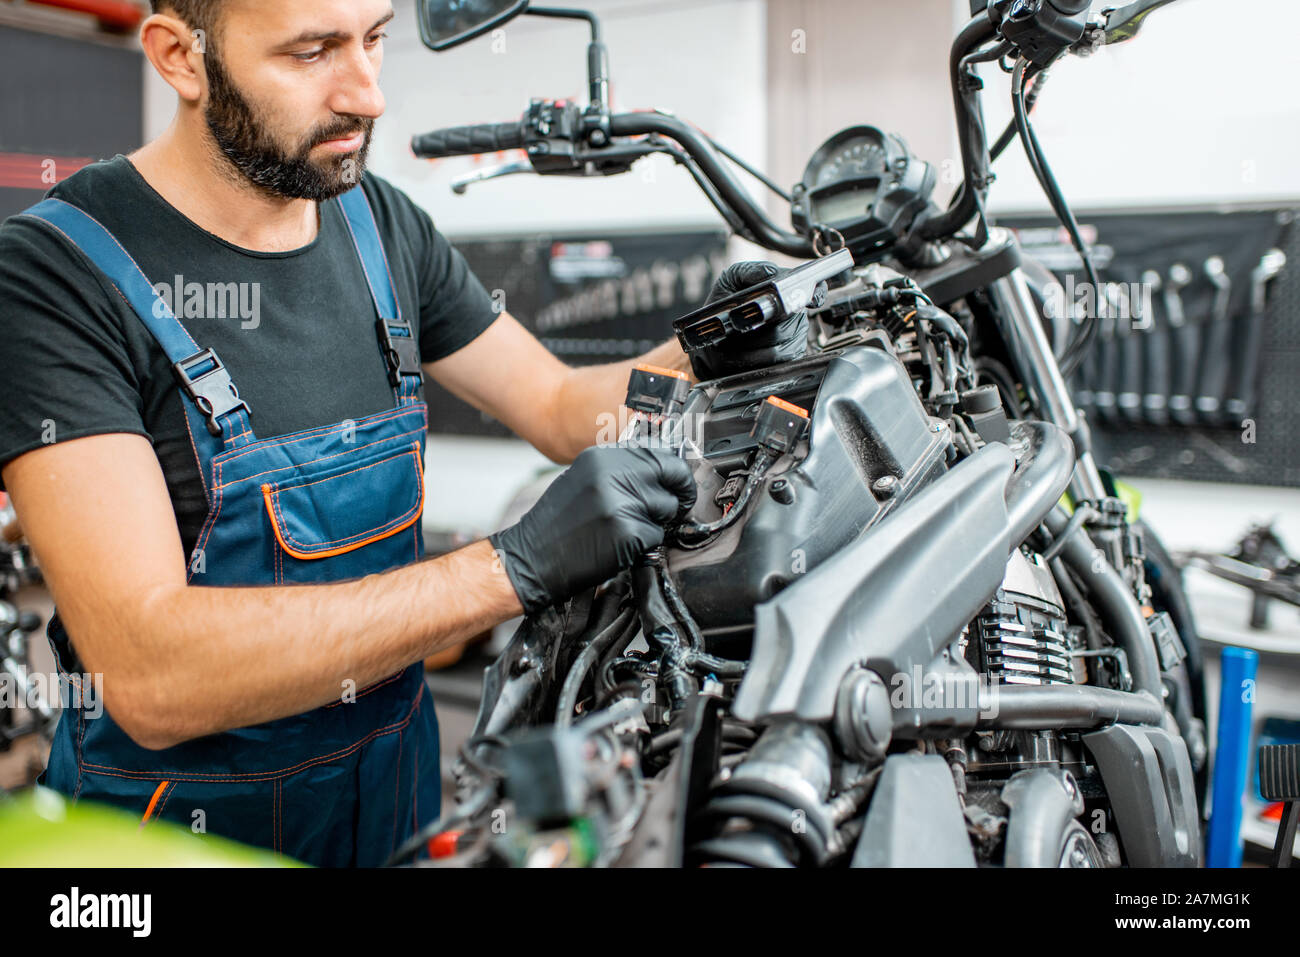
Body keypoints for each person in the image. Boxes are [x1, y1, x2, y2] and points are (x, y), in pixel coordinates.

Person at [0, 0, 700, 866]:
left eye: (374, 38)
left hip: (395, 804)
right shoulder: (53, 275)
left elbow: (562, 405)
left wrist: (713, 349)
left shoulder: (381, 226)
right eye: (312, 52)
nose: (368, 95)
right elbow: (149, 673)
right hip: (179, 838)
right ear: (181, 58)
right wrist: (508, 566)